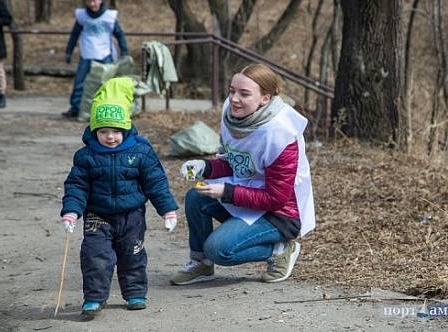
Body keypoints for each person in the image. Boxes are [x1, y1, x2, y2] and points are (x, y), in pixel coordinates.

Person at [171, 63, 316, 285]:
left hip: (279, 214)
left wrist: (227, 192)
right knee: (196, 197)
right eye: (232, 91)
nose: (234, 99)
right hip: (248, 195)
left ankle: (280, 249)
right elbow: (237, 162)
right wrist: (205, 167)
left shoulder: (280, 134)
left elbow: (276, 198)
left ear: (265, 98)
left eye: (244, 93)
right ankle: (201, 263)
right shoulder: (232, 114)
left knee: (219, 250)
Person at [60, 77, 178, 316]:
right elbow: (77, 185)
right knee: (95, 256)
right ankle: (94, 298)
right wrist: (72, 211)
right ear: (95, 131)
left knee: (132, 255)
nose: (111, 137)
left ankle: (135, 293)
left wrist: (168, 209)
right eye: (104, 131)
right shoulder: (86, 156)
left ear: (126, 129)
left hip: (131, 215)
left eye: (116, 131)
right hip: (97, 215)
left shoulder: (141, 152)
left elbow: (156, 182)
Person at [62, 0, 128, 118]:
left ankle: (108, 109)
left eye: (94, 0)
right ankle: (75, 108)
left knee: (106, 83)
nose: (92, 4)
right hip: (87, 54)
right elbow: (74, 34)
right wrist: (68, 52)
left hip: (105, 54)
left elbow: (119, 34)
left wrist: (124, 51)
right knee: (80, 83)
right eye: (89, 1)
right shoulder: (82, 16)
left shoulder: (109, 16)